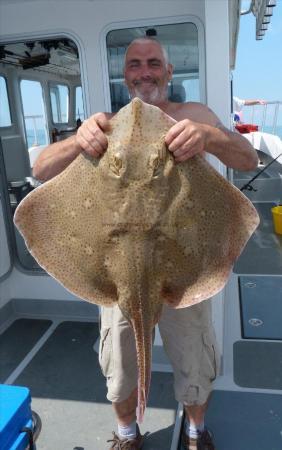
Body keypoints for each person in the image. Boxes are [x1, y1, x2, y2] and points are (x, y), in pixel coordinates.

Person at [33, 38, 258, 450]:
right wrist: (77, 140)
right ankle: (126, 434)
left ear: (169, 72)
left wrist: (207, 136)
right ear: (126, 76)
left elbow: (247, 159)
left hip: (185, 266)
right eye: (135, 64)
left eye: (154, 63)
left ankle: (195, 432)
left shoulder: (193, 116)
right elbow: (41, 168)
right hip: (114, 268)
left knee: (193, 357)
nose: (145, 72)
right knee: (120, 366)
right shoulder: (103, 123)